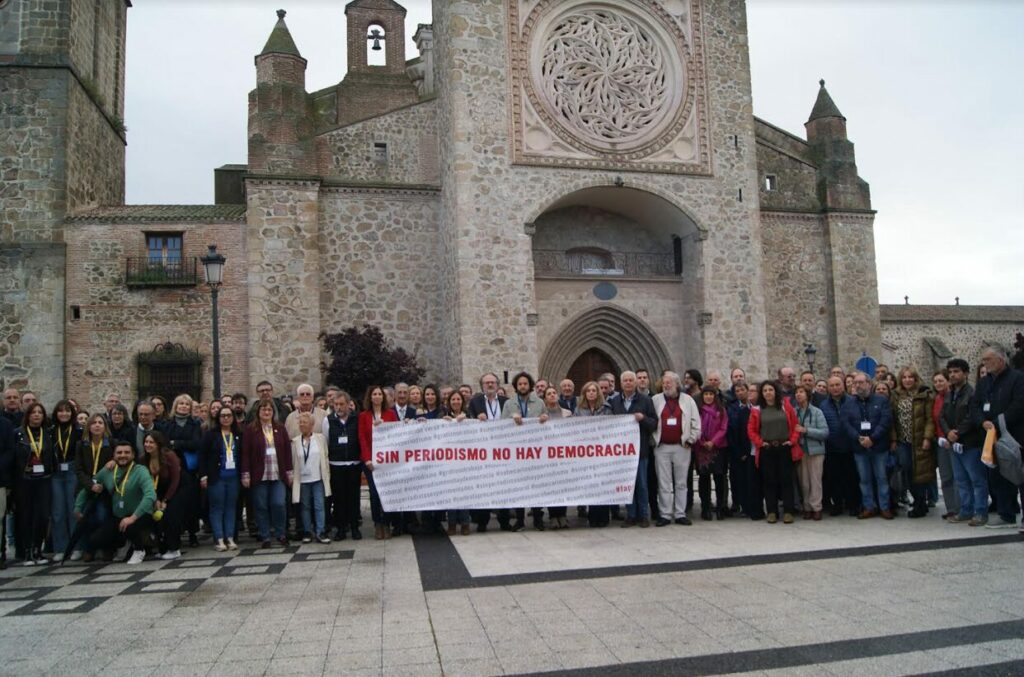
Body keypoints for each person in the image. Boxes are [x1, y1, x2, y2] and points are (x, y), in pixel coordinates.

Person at [74, 440, 156, 565]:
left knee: (129, 526)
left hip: (140, 515)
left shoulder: (141, 471)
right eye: (119, 452)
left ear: (133, 455)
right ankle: (124, 543)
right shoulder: (107, 471)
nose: (123, 455)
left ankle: (139, 549)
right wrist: (78, 507)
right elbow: (90, 486)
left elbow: (150, 495)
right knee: (96, 539)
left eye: (127, 452)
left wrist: (133, 518)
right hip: (119, 516)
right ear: (114, 455)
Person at [971, 345, 1024, 530]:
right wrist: (982, 422)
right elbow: (975, 405)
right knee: (998, 477)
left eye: (988, 359)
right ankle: (1006, 514)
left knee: (1020, 475)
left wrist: (998, 421)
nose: (984, 363)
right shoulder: (984, 382)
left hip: (1015, 436)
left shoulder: (1017, 379)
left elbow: (1019, 404)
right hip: (991, 437)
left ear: (1001, 360)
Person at [942, 358, 989, 526]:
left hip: (970, 443)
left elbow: (972, 416)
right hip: (955, 445)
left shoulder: (973, 393)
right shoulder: (949, 394)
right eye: (951, 372)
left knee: (977, 480)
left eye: (956, 371)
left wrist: (957, 432)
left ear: (966, 373)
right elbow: (942, 416)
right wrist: (948, 432)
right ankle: (966, 510)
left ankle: (980, 512)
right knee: (961, 480)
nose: (953, 375)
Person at [841, 371, 895, 519]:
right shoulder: (848, 403)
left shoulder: (881, 401)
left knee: (882, 478)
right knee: (864, 480)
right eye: (855, 383)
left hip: (879, 447)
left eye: (861, 382)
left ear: (869, 384)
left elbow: (885, 422)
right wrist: (858, 438)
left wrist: (873, 438)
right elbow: (846, 423)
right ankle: (869, 506)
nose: (858, 385)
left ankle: (884, 507)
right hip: (859, 448)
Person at [242, 399, 294, 546]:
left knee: (278, 503)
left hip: (278, 474)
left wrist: (289, 472)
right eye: (263, 410)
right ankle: (264, 535)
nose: (266, 412)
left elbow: (287, 452)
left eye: (269, 410)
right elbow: (245, 453)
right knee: (261, 506)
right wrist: (245, 474)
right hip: (260, 475)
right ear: (258, 413)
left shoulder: (280, 428)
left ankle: (280, 533)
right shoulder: (251, 430)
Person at [652, 371, 701, 527]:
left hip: (682, 446)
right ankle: (665, 514)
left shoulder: (688, 400)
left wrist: (691, 439)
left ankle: (680, 513)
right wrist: (653, 440)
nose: (666, 385)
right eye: (664, 382)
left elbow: (696, 422)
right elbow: (651, 420)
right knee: (664, 482)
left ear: (677, 384)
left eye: (669, 382)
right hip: (662, 447)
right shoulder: (655, 400)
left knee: (681, 482)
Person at [748, 381, 801, 524]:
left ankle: (788, 511)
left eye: (770, 389)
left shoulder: (786, 406)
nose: (768, 393)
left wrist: (792, 441)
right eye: (765, 390)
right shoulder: (757, 409)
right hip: (767, 448)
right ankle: (772, 511)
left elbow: (796, 425)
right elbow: (751, 430)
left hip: (784, 447)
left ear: (775, 391)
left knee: (786, 480)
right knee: (769, 481)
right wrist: (760, 442)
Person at [501, 371, 545, 531]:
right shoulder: (509, 404)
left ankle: (538, 518)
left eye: (525, 383)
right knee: (519, 486)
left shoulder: (539, 402)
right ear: (515, 386)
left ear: (530, 385)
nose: (523, 386)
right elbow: (500, 426)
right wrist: (511, 419)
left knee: (536, 485)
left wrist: (545, 419)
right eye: (520, 384)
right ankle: (519, 520)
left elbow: (546, 421)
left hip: (535, 451)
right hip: (516, 452)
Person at [890, 367, 935, 518]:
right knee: (907, 470)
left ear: (915, 379)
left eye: (910, 377)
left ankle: (921, 503)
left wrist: (927, 438)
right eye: (904, 377)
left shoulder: (924, 394)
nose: (907, 380)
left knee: (920, 473)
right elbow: (893, 420)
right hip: (903, 441)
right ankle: (917, 500)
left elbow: (930, 418)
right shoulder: (896, 396)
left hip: (919, 440)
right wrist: (894, 439)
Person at [13, 403, 53, 564]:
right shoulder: (19, 434)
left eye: (40, 412)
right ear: (28, 415)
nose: (36, 415)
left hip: (43, 478)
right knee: (26, 515)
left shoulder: (47, 434)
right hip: (24, 480)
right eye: (33, 412)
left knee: (43, 515)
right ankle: (27, 551)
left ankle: (38, 548)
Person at [359, 386, 399, 540]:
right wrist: (367, 458)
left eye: (379, 394)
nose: (377, 397)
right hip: (371, 462)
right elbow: (362, 438)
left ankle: (387, 523)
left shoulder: (391, 414)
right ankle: (378, 523)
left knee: (386, 493)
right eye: (374, 394)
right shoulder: (364, 416)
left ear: (383, 397)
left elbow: (397, 434)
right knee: (374, 494)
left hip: (387, 462)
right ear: (370, 397)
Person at [200, 407, 242, 551]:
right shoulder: (211, 435)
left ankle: (229, 537)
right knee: (217, 507)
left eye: (229, 415)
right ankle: (219, 538)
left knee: (231, 507)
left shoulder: (238, 434)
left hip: (234, 477)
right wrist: (203, 475)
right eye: (223, 416)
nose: (226, 418)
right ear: (218, 418)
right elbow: (203, 456)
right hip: (216, 476)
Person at [140, 431, 187, 559]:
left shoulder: (169, 456)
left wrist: (166, 499)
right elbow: (146, 481)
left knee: (171, 516)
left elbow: (175, 480)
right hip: (156, 492)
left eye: (151, 442)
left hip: (175, 490)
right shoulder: (143, 459)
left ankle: (174, 548)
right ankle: (162, 547)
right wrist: (156, 500)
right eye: (146, 442)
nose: (148, 445)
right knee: (156, 517)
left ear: (158, 444)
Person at [323, 391, 360, 541]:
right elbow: (326, 441)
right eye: (336, 404)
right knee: (339, 499)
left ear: (348, 404)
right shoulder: (328, 420)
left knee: (353, 497)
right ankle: (341, 528)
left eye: (341, 404)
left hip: (353, 463)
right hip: (336, 464)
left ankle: (355, 527)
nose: (338, 407)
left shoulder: (357, 418)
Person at [820, 376, 860, 517]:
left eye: (837, 385)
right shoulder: (824, 405)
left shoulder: (853, 402)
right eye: (832, 385)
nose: (835, 388)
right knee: (834, 478)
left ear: (843, 386)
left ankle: (853, 504)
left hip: (850, 446)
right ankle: (837, 504)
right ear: (828, 388)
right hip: (832, 447)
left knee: (852, 478)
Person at [291, 411, 331, 544]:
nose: (302, 425)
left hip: (318, 478)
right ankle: (307, 531)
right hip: (302, 480)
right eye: (300, 422)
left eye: (305, 422)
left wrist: (328, 475)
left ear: (312, 425)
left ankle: (321, 531)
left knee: (319, 505)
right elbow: (293, 461)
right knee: (305, 506)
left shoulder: (320, 439)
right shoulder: (295, 441)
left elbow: (325, 457)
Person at [50, 399, 81, 560]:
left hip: (72, 470)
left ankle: (76, 546)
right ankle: (60, 548)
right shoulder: (50, 430)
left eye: (67, 410)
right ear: (56, 413)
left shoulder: (78, 430)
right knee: (58, 512)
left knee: (73, 509)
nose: (64, 413)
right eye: (61, 411)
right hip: (56, 471)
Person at [793, 385, 829, 520]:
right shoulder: (793, 412)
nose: (798, 395)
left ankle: (817, 507)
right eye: (796, 392)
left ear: (807, 395)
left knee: (815, 480)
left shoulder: (817, 412)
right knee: (804, 482)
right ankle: (807, 507)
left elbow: (825, 432)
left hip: (816, 451)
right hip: (800, 451)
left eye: (801, 392)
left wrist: (806, 430)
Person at [727, 382, 761, 519]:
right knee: (743, 481)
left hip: (757, 449)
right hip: (743, 451)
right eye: (737, 390)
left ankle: (756, 507)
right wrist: (741, 452)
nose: (741, 392)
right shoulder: (738, 410)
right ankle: (746, 507)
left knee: (754, 481)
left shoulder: (757, 409)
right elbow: (737, 433)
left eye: (743, 390)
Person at [541, 386, 573, 529]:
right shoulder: (541, 415)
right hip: (547, 456)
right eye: (549, 394)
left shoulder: (567, 413)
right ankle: (553, 516)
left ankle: (563, 515)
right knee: (551, 487)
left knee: (564, 486)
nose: (552, 395)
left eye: (554, 393)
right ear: (545, 398)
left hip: (564, 455)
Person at [442, 390, 473, 535]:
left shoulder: (469, 416)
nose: (455, 402)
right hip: (448, 462)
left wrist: (466, 419)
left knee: (464, 493)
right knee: (451, 494)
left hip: (465, 461)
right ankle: (452, 524)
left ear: (462, 401)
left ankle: (465, 523)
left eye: (458, 399)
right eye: (453, 399)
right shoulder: (443, 416)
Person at [695, 386, 728, 520]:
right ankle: (706, 508)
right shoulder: (698, 411)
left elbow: (723, 428)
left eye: (711, 394)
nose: (708, 397)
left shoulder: (721, 410)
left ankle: (720, 507)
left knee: (719, 477)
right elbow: (695, 426)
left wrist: (713, 442)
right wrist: (702, 442)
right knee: (704, 479)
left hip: (718, 448)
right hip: (702, 449)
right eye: (706, 394)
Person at [931, 370, 959, 519]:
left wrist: (950, 436)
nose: (938, 384)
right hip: (940, 443)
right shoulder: (936, 399)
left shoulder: (954, 397)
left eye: (941, 380)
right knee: (946, 477)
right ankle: (951, 509)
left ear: (948, 381)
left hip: (953, 441)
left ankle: (961, 507)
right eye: (935, 381)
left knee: (958, 477)